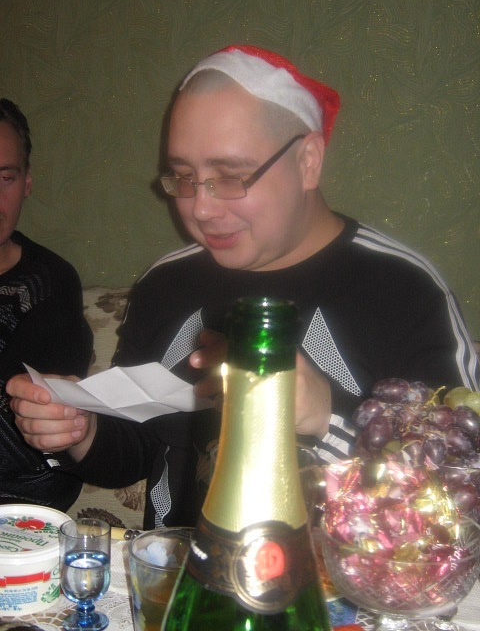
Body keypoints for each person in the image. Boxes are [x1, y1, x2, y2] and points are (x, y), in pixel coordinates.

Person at [7, 46, 479, 529]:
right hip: (184, 567)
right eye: (185, 177)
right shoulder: (168, 284)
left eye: (230, 177)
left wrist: (328, 417)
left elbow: (460, 491)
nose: (200, 208)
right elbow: (138, 450)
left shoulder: (403, 289)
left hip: (341, 573)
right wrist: (81, 429)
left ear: (308, 161)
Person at [0, 98, 92, 510]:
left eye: (5, 177)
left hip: (20, 509)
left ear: (27, 184)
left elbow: (34, 437)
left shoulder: (47, 283)